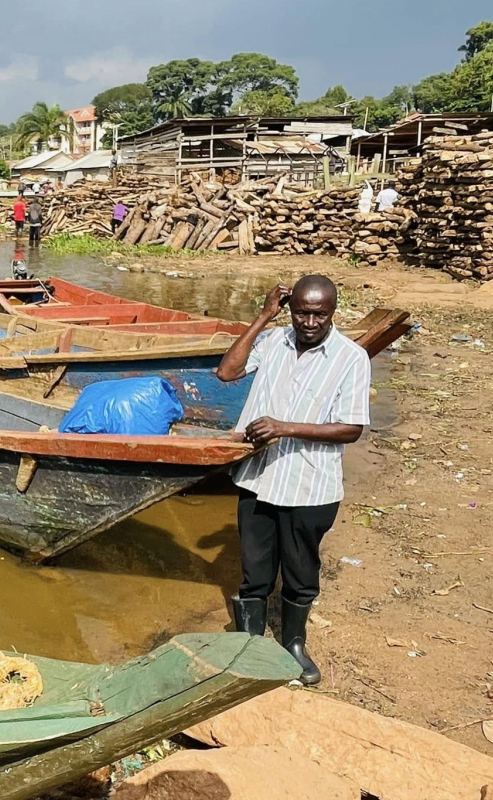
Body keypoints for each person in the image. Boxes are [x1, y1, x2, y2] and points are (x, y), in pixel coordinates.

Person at [214, 275, 372, 686]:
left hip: (310, 483)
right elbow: (226, 372)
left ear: (333, 311)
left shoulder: (350, 357)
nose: (310, 321)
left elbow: (351, 428)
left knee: (301, 570)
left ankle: (293, 645)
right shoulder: (275, 341)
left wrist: (283, 427)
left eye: (320, 313)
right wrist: (264, 316)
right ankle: (249, 641)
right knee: (256, 567)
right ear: (291, 308)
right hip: (259, 477)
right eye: (302, 311)